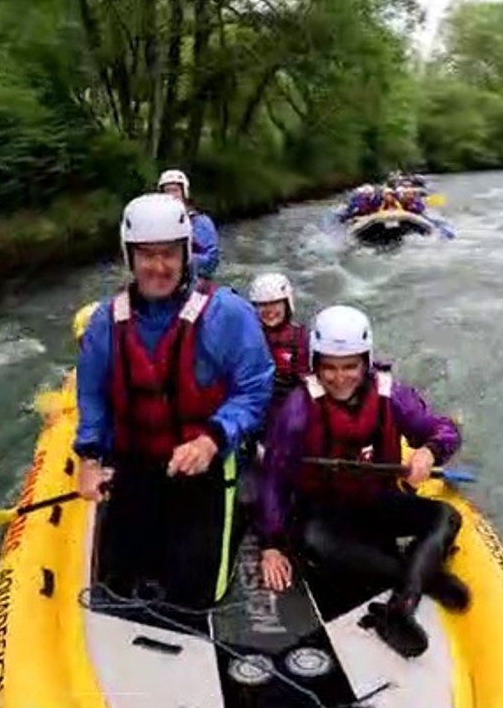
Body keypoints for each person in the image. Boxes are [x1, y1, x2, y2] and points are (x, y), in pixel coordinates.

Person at [74, 192, 274, 610]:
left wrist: (211, 440)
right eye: (147, 255)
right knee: (118, 580)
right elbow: (92, 395)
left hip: (204, 466)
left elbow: (254, 389)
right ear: (129, 257)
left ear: (186, 254)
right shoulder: (105, 322)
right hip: (135, 463)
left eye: (169, 254)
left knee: (194, 592)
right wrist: (89, 458)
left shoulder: (227, 314)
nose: (159, 267)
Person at [254, 306, 469, 659]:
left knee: (446, 517)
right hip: (325, 513)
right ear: (315, 363)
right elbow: (275, 479)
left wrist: (429, 452)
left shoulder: (392, 395)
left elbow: (443, 430)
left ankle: (401, 606)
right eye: (329, 367)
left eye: (350, 366)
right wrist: (271, 545)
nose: (340, 378)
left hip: (376, 500)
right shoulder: (298, 409)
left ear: (365, 362)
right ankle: (424, 577)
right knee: (312, 541)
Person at [247, 273, 310, 409]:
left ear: (287, 304)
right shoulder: (248, 336)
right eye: (263, 305)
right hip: (255, 399)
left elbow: (307, 377)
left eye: (275, 303)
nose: (269, 310)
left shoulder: (299, 337)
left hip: (288, 401)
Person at [157, 169, 221, 279]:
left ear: (184, 193)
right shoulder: (156, 223)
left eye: (175, 191)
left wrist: (181, 260)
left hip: (194, 281)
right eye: (167, 191)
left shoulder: (201, 222)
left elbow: (211, 261)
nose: (171, 195)